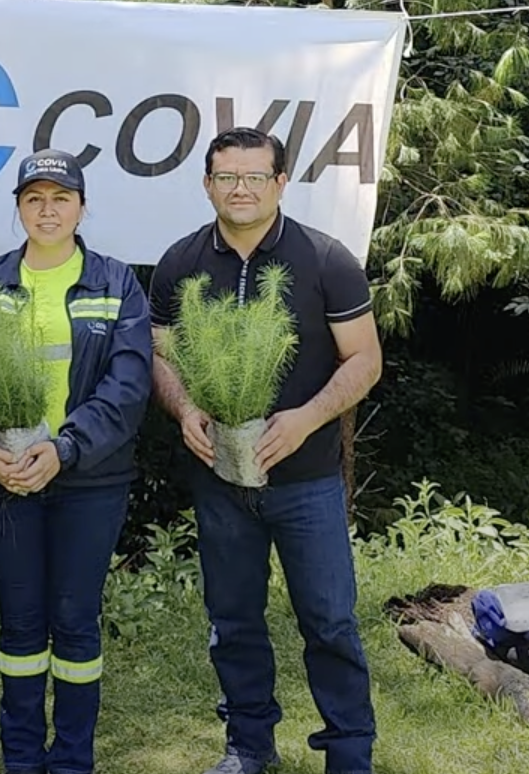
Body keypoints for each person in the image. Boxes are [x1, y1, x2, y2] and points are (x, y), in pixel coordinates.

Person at [149, 127, 384, 774]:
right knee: (233, 621)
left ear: (281, 183)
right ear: (207, 185)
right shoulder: (181, 263)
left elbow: (366, 360)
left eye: (255, 176)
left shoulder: (326, 259)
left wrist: (307, 419)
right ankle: (249, 747)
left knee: (330, 622)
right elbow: (160, 354)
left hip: (306, 481)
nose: (241, 188)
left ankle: (349, 753)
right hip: (221, 482)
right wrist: (186, 407)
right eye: (227, 177)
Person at [0, 150, 152, 774]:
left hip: (90, 481)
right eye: (34, 198)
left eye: (61, 197)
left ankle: (73, 761)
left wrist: (64, 449)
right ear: (18, 208)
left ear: (82, 208)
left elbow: (128, 386)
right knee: (22, 622)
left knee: (76, 621)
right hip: (3, 483)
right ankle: (21, 759)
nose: (48, 209)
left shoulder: (117, 283)